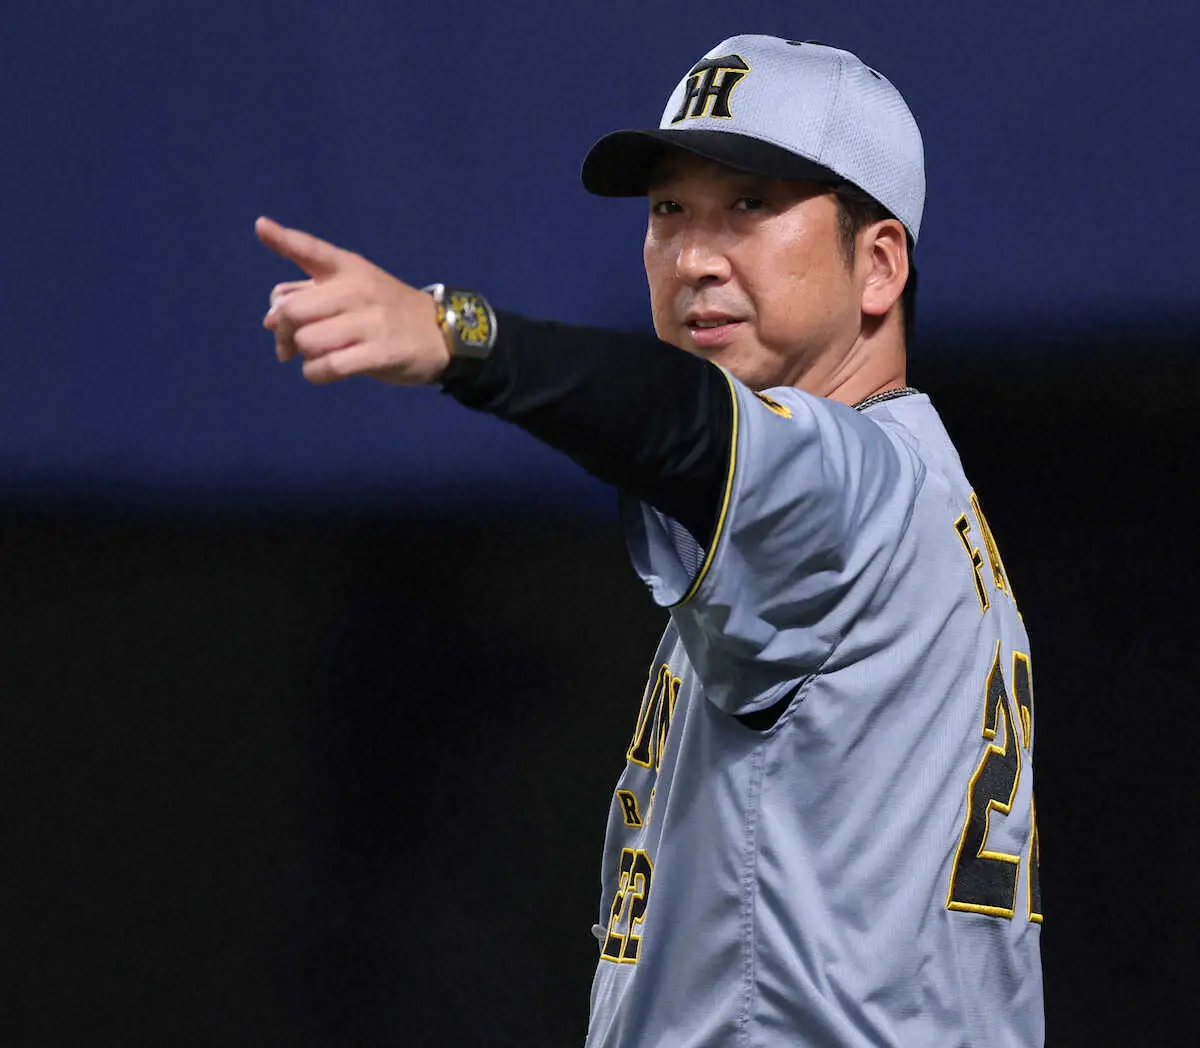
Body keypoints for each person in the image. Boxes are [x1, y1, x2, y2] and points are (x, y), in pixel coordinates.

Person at [258, 34, 1043, 1048]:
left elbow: (683, 424)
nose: (695, 257)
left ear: (879, 264)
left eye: (750, 205)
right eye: (670, 210)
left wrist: (460, 336)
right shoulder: (917, 502)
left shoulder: (852, 487)